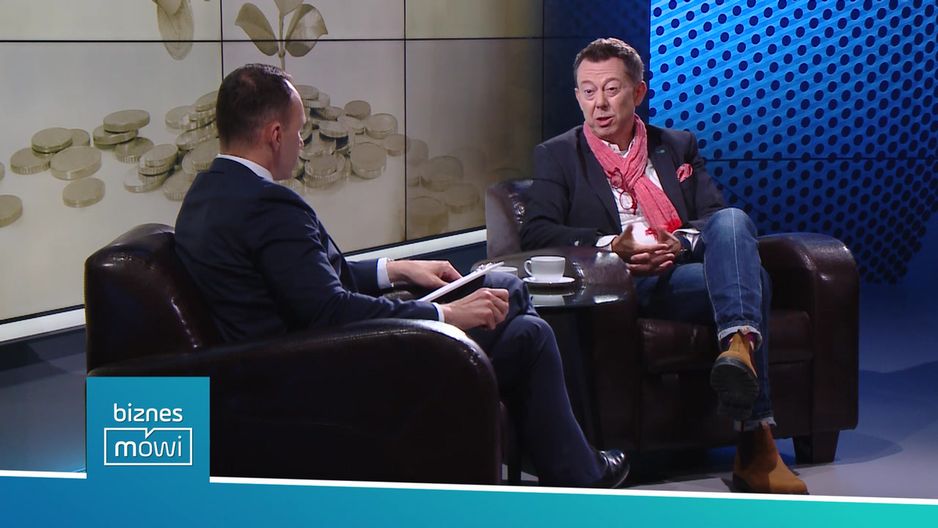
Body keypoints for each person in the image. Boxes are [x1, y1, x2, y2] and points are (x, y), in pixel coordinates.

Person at [173, 63, 628, 488]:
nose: (301, 143)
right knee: (528, 332)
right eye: (299, 131)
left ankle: (564, 459)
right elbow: (329, 310)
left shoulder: (207, 193)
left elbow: (302, 279)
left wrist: (396, 268)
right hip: (319, 372)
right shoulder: (269, 204)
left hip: (285, 361)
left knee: (507, 291)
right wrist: (447, 315)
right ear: (275, 135)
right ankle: (576, 470)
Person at [520, 38, 807, 494]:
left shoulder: (675, 145)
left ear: (638, 92)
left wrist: (679, 242)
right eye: (588, 92)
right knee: (754, 281)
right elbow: (536, 232)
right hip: (627, 283)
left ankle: (738, 349)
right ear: (577, 96)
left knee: (734, 221)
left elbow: (712, 217)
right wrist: (613, 245)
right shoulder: (558, 155)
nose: (599, 104)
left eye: (611, 89)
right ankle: (756, 442)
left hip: (684, 270)